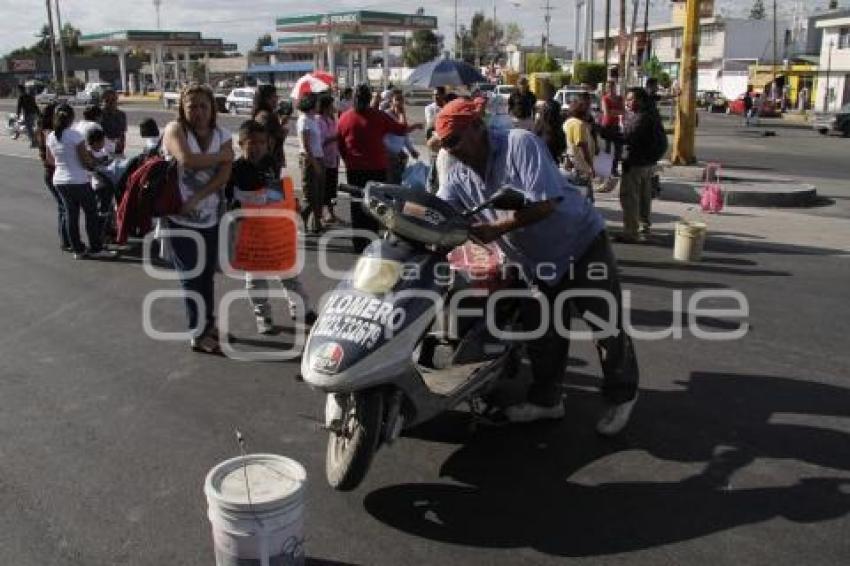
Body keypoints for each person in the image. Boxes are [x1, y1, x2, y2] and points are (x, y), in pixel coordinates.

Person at [434, 98, 639, 435]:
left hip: (581, 244)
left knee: (605, 326)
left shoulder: (520, 144)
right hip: (536, 262)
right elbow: (440, 208)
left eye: (455, 140)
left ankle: (622, 395)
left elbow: (544, 203)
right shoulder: (457, 176)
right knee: (544, 333)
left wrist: (496, 229)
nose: (452, 150)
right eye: (444, 145)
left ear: (477, 126)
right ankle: (547, 401)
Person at [162, 84, 234, 354]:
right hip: (180, 219)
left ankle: (208, 324)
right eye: (192, 106)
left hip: (210, 216)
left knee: (206, 275)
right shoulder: (174, 130)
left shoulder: (222, 134)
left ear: (212, 108)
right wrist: (222, 156)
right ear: (182, 108)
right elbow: (187, 160)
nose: (199, 112)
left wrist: (198, 196)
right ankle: (197, 333)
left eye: (204, 106)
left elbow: (224, 175)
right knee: (191, 276)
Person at [228, 120, 317, 335]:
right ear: (241, 143)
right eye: (252, 142)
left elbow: (277, 190)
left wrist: (289, 205)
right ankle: (263, 315)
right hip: (251, 234)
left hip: (274, 229)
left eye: (262, 142)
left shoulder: (270, 162)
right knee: (256, 279)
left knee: (288, 272)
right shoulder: (235, 169)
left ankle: (301, 309)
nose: (257, 146)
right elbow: (229, 200)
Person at [337, 84, 422, 253]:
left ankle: (360, 243)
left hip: (355, 169)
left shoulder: (344, 118)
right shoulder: (378, 116)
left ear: (354, 98)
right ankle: (371, 241)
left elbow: (340, 144)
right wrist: (401, 112)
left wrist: (348, 161)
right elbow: (400, 129)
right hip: (376, 168)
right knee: (374, 205)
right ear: (369, 99)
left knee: (357, 205)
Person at [45, 104, 116, 260]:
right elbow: (85, 160)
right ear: (71, 118)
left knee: (71, 215)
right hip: (78, 180)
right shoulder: (75, 135)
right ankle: (96, 248)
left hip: (59, 180)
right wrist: (96, 164)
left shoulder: (51, 136)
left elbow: (50, 160)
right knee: (91, 214)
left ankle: (77, 249)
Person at [617, 87, 664, 243]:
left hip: (636, 163)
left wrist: (603, 131)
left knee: (629, 197)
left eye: (631, 99)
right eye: (627, 99)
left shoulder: (641, 117)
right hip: (647, 163)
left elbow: (627, 136)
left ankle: (631, 232)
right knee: (644, 197)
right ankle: (644, 226)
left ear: (641, 100)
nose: (628, 102)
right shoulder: (652, 113)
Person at [36, 102, 71, 251]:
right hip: (53, 172)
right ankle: (66, 240)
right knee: (64, 207)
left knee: (62, 207)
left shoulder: (44, 131)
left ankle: (66, 239)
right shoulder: (50, 133)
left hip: (50, 172)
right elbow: (52, 158)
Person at [296, 93, 325, 233]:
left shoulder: (313, 119)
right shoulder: (304, 120)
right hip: (309, 159)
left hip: (319, 157)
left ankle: (316, 223)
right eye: (317, 102)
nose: (319, 105)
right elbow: (306, 145)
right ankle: (302, 220)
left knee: (319, 193)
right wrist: (315, 163)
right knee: (310, 194)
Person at [562, 92, 596, 196]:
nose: (589, 109)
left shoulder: (569, 122)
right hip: (581, 167)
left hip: (574, 165)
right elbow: (582, 146)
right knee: (585, 199)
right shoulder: (579, 124)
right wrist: (591, 166)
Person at [383, 89, 420, 184]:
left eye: (401, 100)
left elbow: (404, 135)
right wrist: (393, 152)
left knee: (399, 181)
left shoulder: (401, 115)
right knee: (390, 182)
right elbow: (383, 138)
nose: (400, 102)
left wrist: (411, 150)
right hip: (389, 156)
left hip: (399, 156)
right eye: (397, 99)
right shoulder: (386, 115)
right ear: (391, 101)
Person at [251, 84, 286, 174]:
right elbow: (266, 138)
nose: (277, 99)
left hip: (270, 160)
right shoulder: (265, 116)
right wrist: (282, 133)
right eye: (274, 96)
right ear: (266, 99)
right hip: (268, 161)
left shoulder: (266, 114)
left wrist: (281, 124)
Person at [317, 95, 340, 224]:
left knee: (332, 188)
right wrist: (335, 137)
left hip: (334, 158)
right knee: (323, 188)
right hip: (323, 159)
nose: (334, 107)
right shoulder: (318, 121)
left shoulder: (331, 120)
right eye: (332, 105)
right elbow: (320, 142)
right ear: (326, 107)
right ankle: (322, 213)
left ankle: (331, 211)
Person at [533, 92, 567, 165]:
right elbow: (563, 145)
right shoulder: (559, 125)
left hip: (544, 157)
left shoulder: (540, 123)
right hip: (553, 157)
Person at [600, 80, 624, 177]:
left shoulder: (619, 98)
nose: (609, 88)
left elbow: (623, 111)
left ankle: (614, 169)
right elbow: (606, 113)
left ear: (615, 87)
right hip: (607, 125)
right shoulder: (605, 98)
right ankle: (606, 170)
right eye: (608, 87)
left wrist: (613, 111)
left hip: (616, 125)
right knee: (607, 149)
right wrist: (616, 111)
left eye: (611, 86)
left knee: (618, 149)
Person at [100, 89, 127, 156]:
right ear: (102, 101)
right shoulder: (99, 115)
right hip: (104, 149)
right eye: (107, 100)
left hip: (118, 148)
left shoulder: (121, 114)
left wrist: (121, 145)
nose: (111, 103)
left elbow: (122, 132)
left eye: (113, 100)